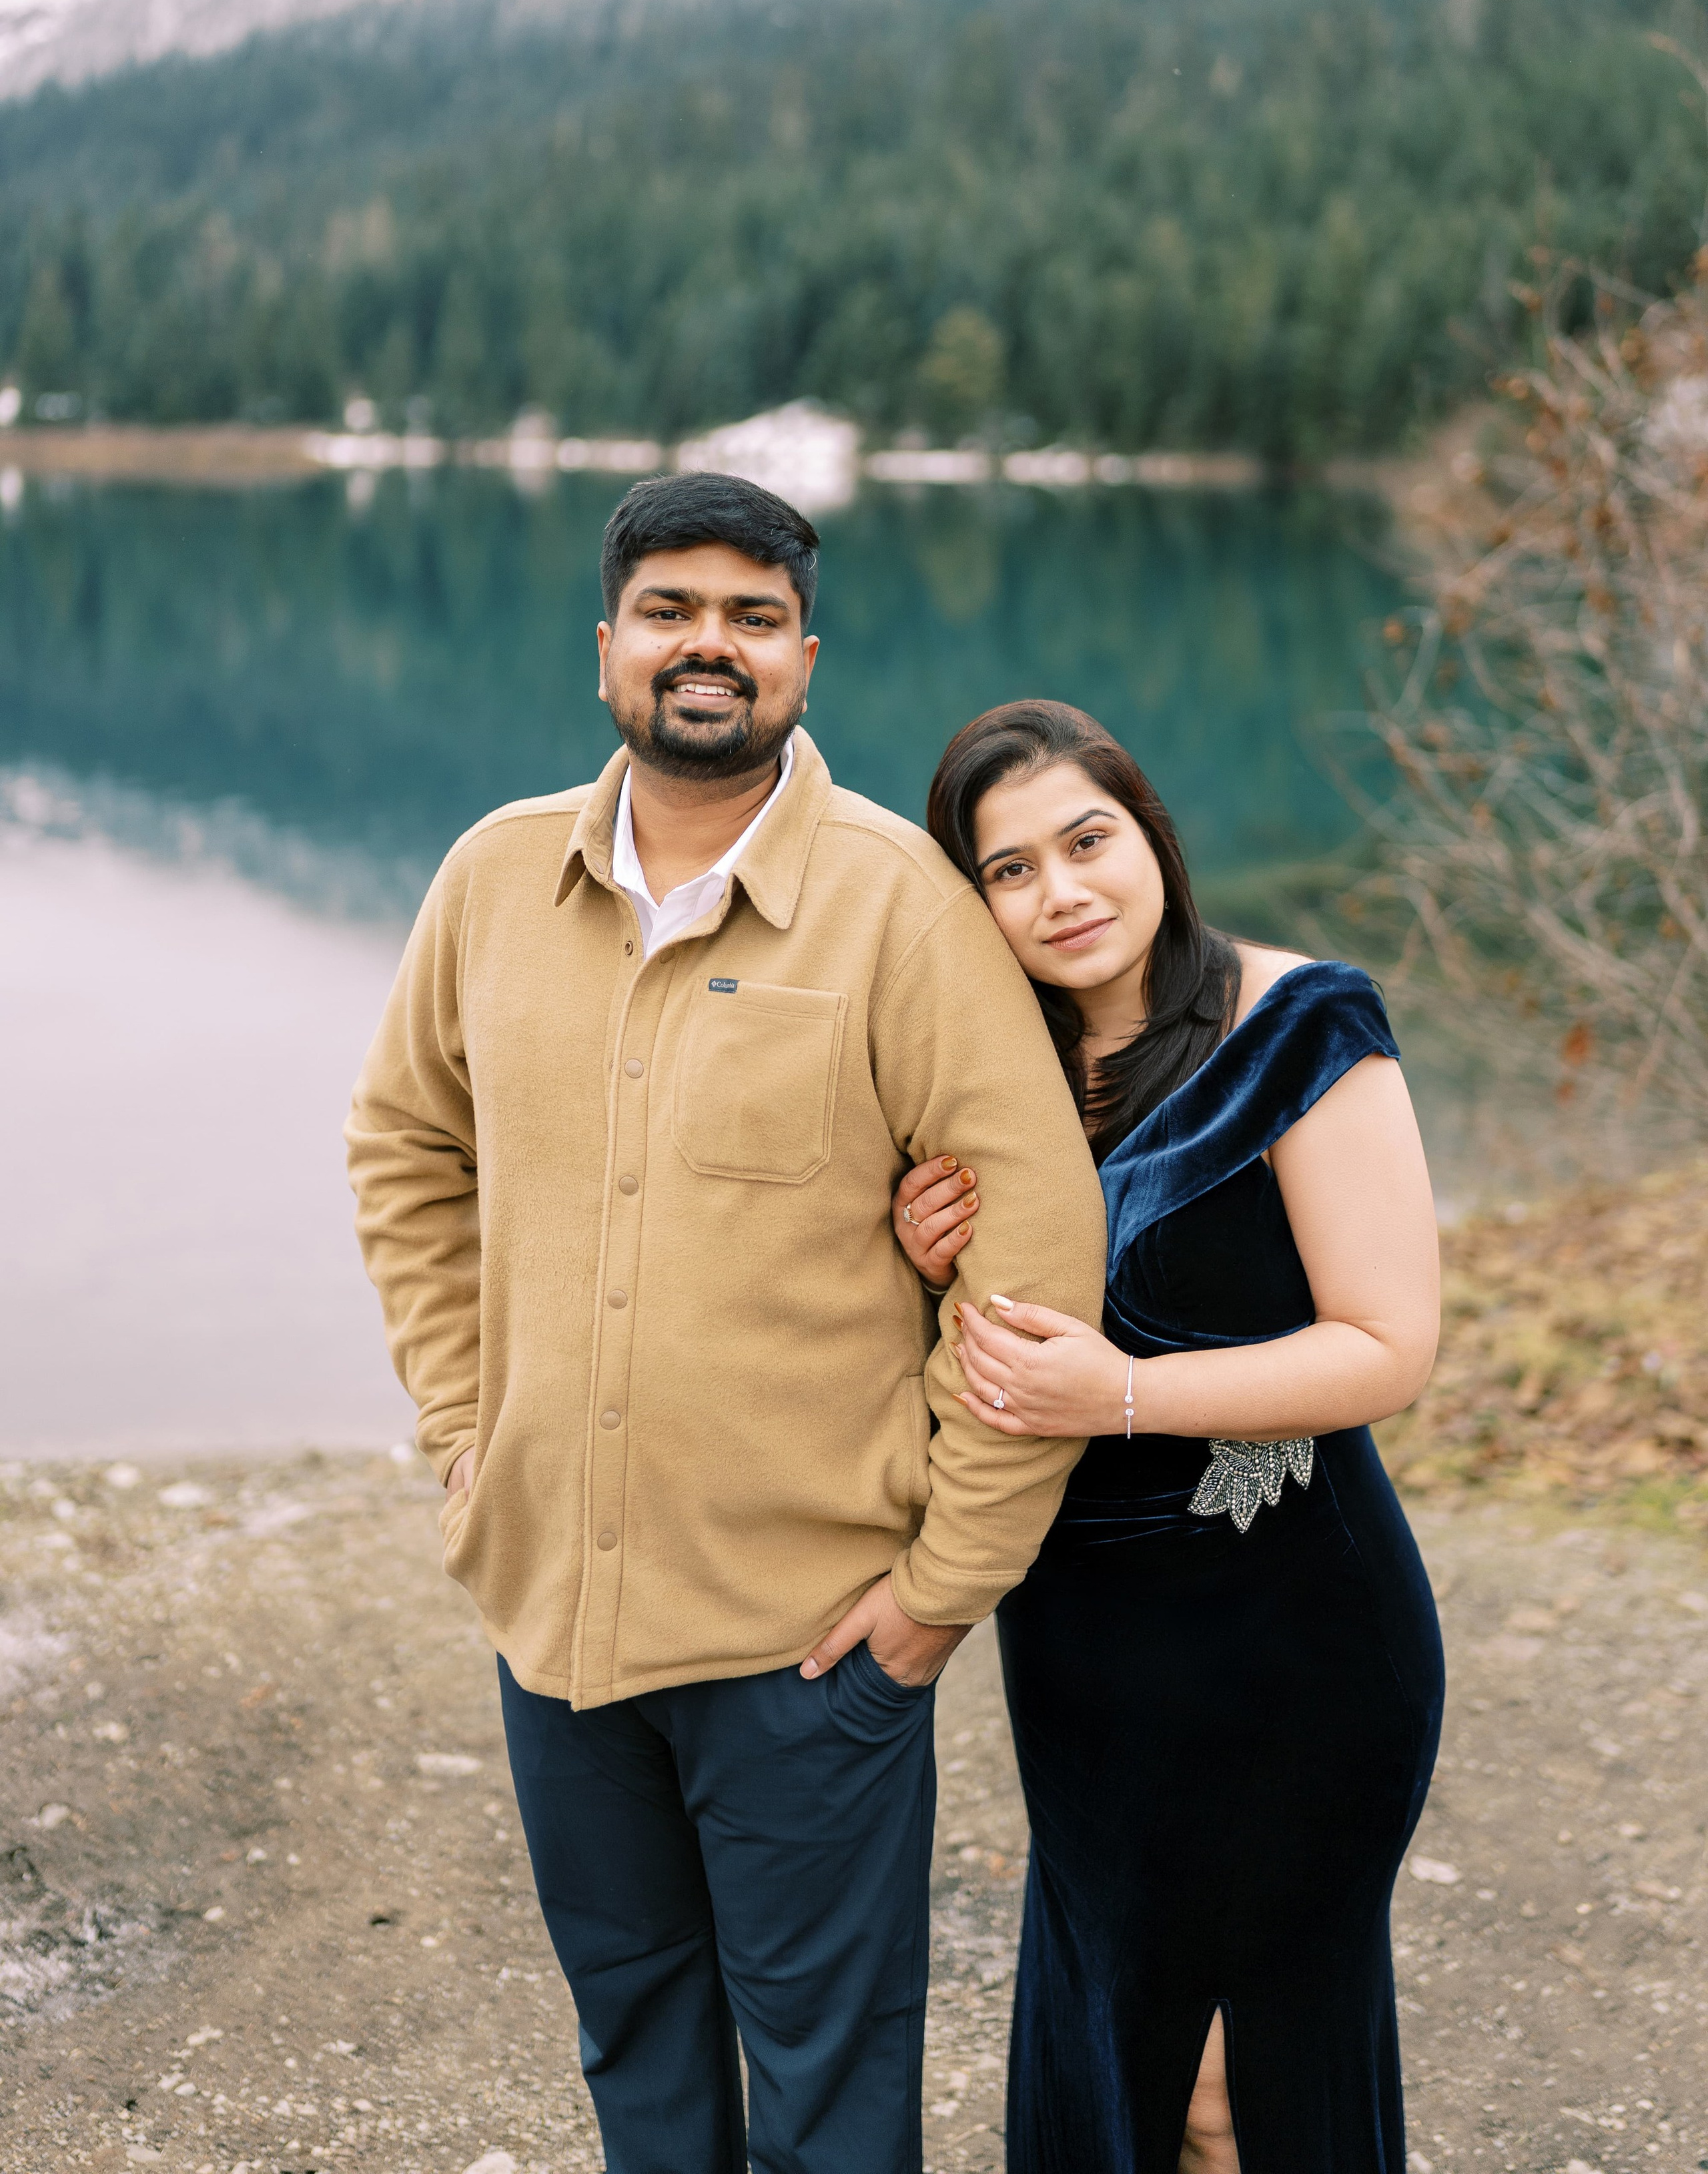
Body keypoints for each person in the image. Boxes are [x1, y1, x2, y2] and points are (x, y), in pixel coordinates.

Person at [345, 481, 1108, 2174]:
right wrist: (467, 1434)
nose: (710, 644)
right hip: (552, 1624)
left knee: (829, 2104)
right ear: (605, 647)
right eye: (671, 608)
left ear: (804, 658)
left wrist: (938, 1591)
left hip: (810, 1647)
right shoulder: (487, 880)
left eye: (752, 617)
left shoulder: (897, 903)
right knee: (638, 2058)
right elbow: (406, 1144)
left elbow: (1032, 1246)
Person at [893, 698, 1445, 2174]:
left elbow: (1385, 1347)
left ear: (1149, 837)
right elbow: (989, 1356)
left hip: (1292, 1644)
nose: (1058, 892)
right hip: (1083, 1658)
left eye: (1085, 841)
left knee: (1233, 2090)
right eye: (1006, 871)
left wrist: (1121, 1398)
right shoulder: (985, 1076)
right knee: (1119, 2048)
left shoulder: (1299, 1023)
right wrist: (917, 1257)